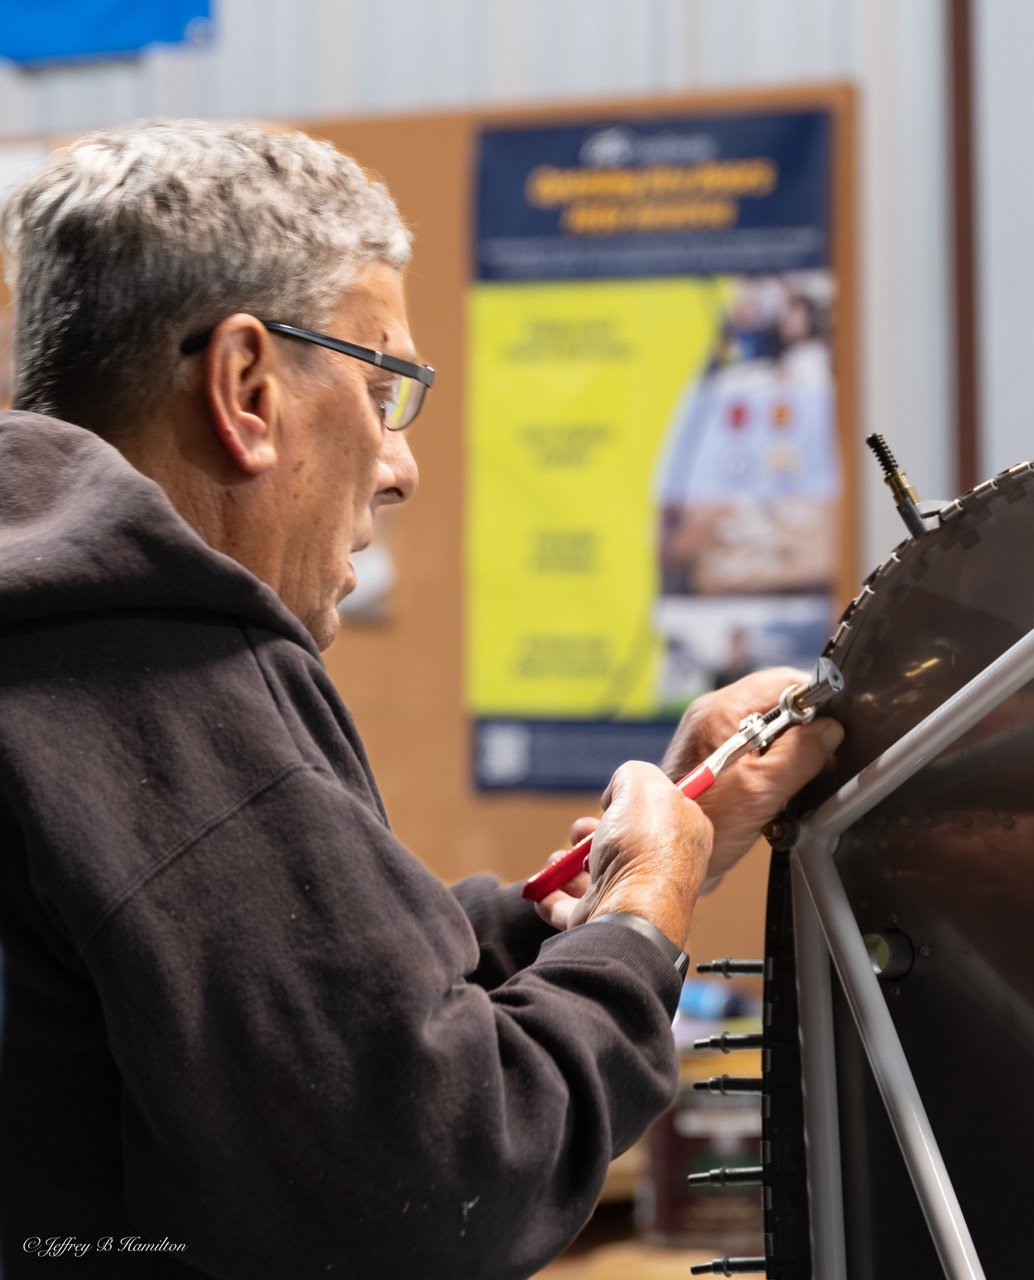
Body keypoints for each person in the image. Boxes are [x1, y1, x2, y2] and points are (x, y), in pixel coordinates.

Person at [0, 120, 842, 1278]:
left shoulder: (43, 648)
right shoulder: (162, 675)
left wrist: (599, 885)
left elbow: (282, 998)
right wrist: (641, 921)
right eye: (380, 383)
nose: (399, 466)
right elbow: (436, 1180)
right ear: (246, 386)